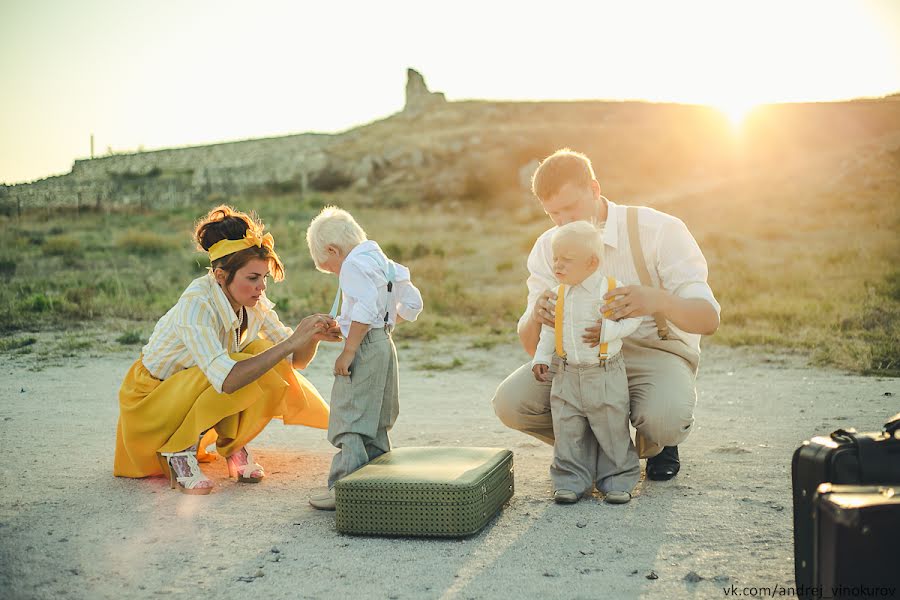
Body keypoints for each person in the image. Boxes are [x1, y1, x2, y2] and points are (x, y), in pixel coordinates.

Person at [493, 149, 720, 481]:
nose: (563, 221)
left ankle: (657, 443)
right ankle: (597, 446)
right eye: (553, 213)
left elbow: (708, 319)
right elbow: (531, 346)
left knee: (666, 418)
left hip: (652, 353)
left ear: (595, 189)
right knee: (510, 403)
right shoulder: (547, 247)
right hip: (577, 359)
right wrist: (536, 316)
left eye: (570, 208)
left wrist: (656, 300)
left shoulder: (659, 229)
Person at [114, 205, 341, 495]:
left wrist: (312, 336)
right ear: (221, 276)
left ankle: (234, 445)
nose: (260, 287)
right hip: (152, 400)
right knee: (240, 363)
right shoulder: (196, 304)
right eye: (252, 278)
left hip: (196, 388)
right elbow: (228, 379)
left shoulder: (254, 302)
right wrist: (291, 340)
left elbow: (294, 362)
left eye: (264, 278)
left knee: (262, 353)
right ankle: (178, 452)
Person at [304, 206, 423, 511]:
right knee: (376, 415)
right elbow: (412, 302)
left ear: (333, 250)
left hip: (367, 345)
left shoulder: (353, 266)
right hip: (384, 342)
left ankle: (346, 488)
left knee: (351, 413)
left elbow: (366, 306)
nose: (334, 273)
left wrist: (350, 348)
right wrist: (381, 320)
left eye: (329, 267)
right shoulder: (380, 260)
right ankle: (378, 482)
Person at [532, 221, 643, 504]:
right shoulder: (558, 294)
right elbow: (549, 329)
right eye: (556, 258)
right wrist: (542, 357)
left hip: (604, 372)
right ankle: (570, 480)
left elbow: (634, 318)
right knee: (567, 428)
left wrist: (610, 331)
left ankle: (618, 479)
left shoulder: (610, 289)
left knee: (611, 426)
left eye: (566, 260)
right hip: (566, 373)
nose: (558, 265)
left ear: (592, 262)